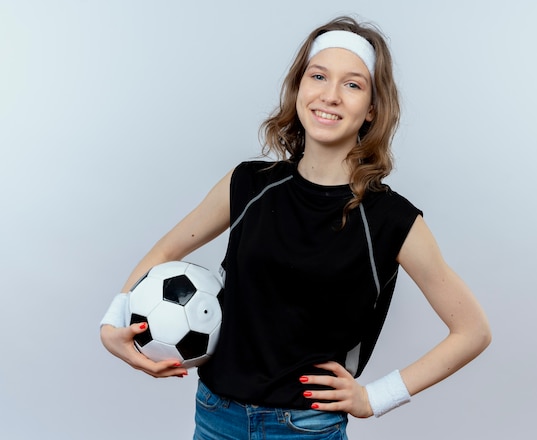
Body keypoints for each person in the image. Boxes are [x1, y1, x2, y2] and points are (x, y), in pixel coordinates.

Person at [100, 15, 491, 440]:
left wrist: (375, 398)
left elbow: (472, 331)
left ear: (372, 109)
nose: (330, 95)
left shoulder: (391, 219)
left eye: (353, 84)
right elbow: (164, 251)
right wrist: (112, 323)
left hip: (305, 428)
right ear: (299, 87)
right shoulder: (248, 183)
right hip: (216, 416)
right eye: (318, 76)